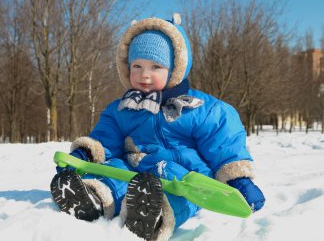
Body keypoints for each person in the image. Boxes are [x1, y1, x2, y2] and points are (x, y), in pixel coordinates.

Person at [50, 14, 265, 240]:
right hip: (136, 167)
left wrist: (238, 179)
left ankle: (157, 215)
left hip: (183, 175)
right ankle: (94, 197)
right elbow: (106, 138)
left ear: (175, 68)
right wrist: (84, 154)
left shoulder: (202, 109)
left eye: (155, 66)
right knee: (118, 168)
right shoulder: (123, 109)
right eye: (137, 66)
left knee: (179, 190)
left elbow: (224, 144)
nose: (144, 74)